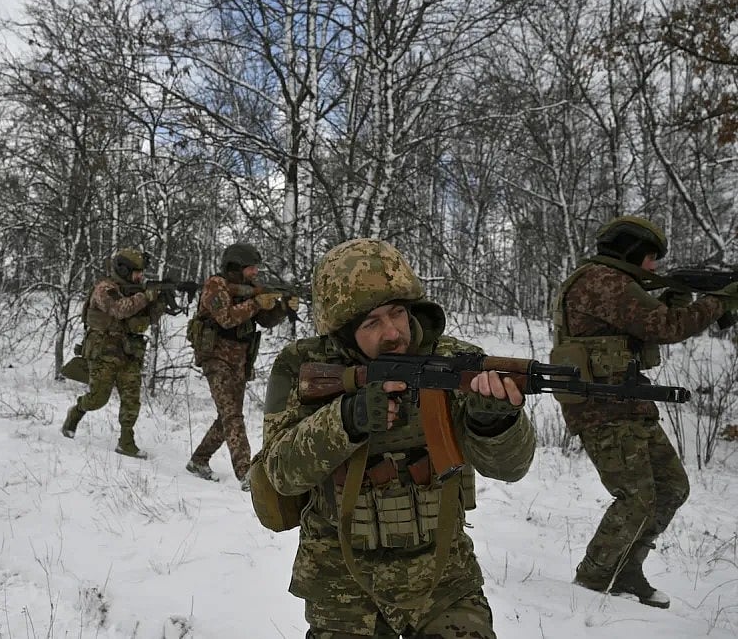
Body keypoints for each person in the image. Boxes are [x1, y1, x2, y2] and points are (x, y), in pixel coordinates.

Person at [259, 238, 535, 638]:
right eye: (371, 323)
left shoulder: (456, 362)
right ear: (342, 332)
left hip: (441, 577)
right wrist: (345, 420)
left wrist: (494, 424)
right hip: (341, 584)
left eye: (397, 314)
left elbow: (512, 469)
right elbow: (281, 472)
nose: (393, 332)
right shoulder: (302, 368)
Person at [552, 215, 738, 608]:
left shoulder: (615, 282)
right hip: (602, 408)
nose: (654, 267)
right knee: (636, 498)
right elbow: (665, 327)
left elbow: (645, 324)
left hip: (627, 404)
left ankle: (626, 568)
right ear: (632, 250)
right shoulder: (602, 280)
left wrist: (678, 296)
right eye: (651, 257)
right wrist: (717, 301)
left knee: (672, 488)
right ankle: (593, 579)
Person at [184, 243, 293, 490]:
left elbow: (264, 321)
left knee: (227, 417)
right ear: (236, 267)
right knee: (233, 416)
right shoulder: (216, 285)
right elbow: (226, 318)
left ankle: (199, 460)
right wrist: (256, 302)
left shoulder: (251, 289)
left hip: (239, 360)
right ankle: (246, 474)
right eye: (251, 268)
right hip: (216, 357)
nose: (255, 272)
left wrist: (282, 308)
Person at [61, 248, 164, 459]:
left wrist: (159, 302)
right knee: (98, 399)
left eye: (141, 272)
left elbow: (146, 320)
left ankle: (126, 441)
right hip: (103, 351)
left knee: (131, 399)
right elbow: (119, 309)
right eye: (136, 272)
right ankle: (77, 411)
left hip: (129, 353)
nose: (140, 276)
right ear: (123, 270)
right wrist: (146, 296)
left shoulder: (137, 290)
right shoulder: (104, 288)